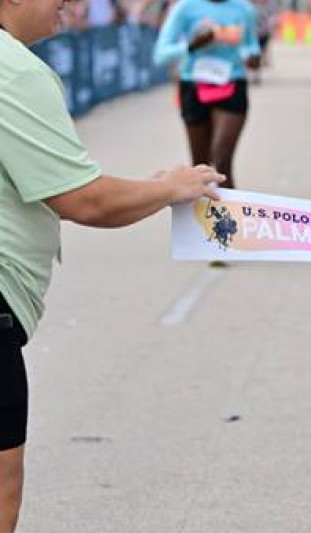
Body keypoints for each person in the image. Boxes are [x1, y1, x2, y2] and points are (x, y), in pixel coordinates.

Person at [0, 1, 224, 530]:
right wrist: (170, 188)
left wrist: (150, 189)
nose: (70, 3)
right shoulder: (14, 71)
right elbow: (86, 200)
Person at [153, 0, 261, 190]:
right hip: (194, 86)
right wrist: (191, 45)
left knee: (222, 160)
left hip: (232, 84)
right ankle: (200, 209)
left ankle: (228, 209)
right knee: (200, 166)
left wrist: (252, 57)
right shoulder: (185, 8)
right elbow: (160, 54)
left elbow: (251, 46)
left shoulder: (244, 10)